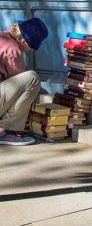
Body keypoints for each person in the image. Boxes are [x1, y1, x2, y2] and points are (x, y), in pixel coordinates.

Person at [0, 17, 48, 146]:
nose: (32, 49)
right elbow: (19, 84)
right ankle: (4, 130)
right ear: (22, 39)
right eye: (32, 45)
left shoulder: (2, 37)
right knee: (32, 79)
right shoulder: (12, 49)